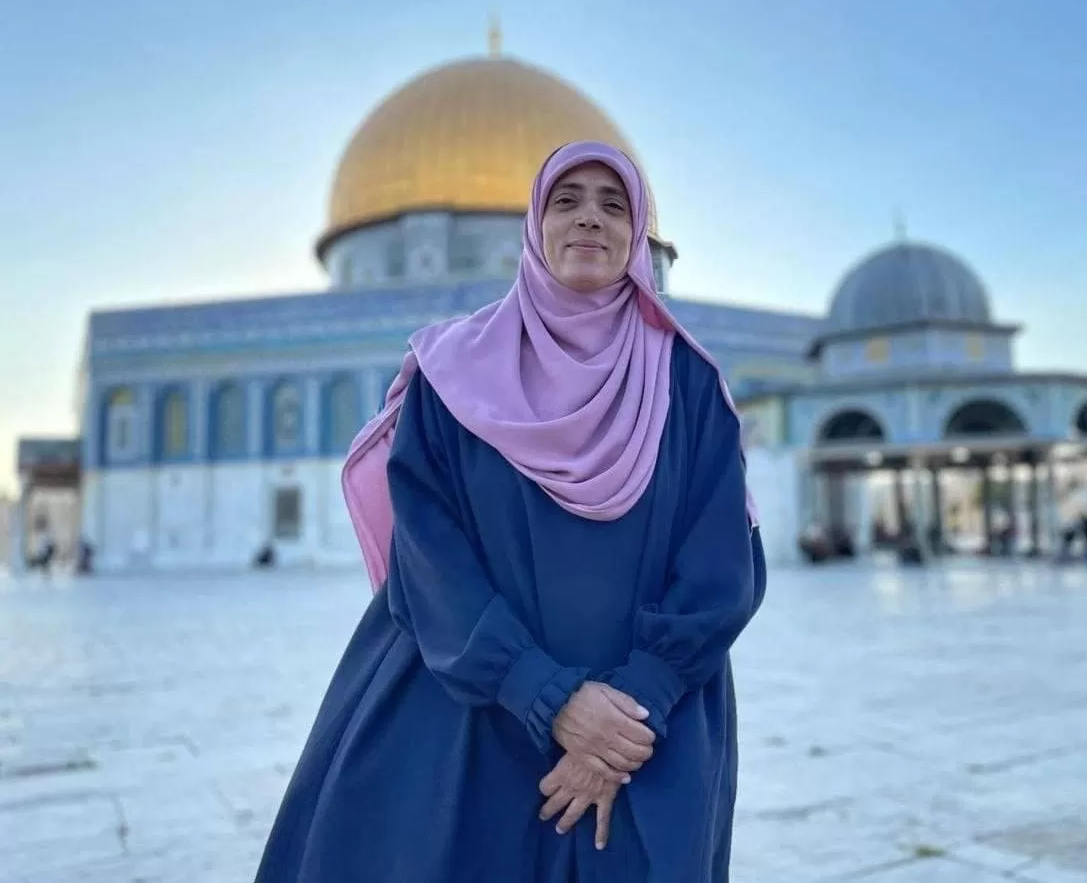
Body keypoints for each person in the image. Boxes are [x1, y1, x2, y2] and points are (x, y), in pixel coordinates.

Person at [254, 140, 767, 883]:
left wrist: (626, 716)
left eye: (613, 205)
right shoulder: (452, 378)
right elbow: (429, 561)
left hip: (647, 733)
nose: (589, 219)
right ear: (532, 227)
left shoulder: (687, 383)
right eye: (567, 201)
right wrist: (544, 696)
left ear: (637, 237)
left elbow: (721, 565)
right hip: (469, 718)